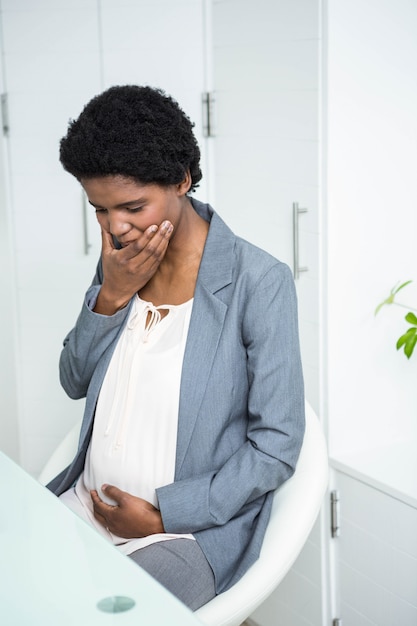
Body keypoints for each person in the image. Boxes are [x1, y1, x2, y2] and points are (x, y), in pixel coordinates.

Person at [47, 85, 305, 611]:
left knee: (100, 612)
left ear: (182, 179)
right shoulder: (121, 263)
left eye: (132, 206)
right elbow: (74, 381)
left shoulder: (259, 282)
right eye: (99, 210)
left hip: (183, 536)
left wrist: (163, 515)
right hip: (84, 505)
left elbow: (276, 445)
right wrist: (114, 293)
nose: (115, 227)